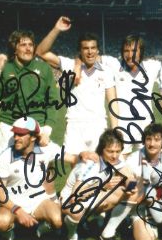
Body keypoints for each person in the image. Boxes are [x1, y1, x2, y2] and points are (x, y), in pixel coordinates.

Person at [0, 30, 59, 240]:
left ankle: (43, 226)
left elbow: (52, 101)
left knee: (48, 171)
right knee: (0, 179)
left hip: (36, 128)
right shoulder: (6, 69)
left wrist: (47, 128)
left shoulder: (43, 68)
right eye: (22, 44)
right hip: (9, 127)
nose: (27, 48)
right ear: (14, 48)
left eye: (30, 44)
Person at [36, 16, 118, 165]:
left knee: (99, 169)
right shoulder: (69, 65)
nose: (90, 52)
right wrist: (57, 29)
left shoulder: (107, 71)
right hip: (75, 123)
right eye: (86, 48)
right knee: (76, 168)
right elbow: (41, 52)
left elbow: (112, 103)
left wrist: (116, 130)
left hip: (97, 124)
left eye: (93, 48)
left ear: (98, 49)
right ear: (80, 51)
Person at [0, 117, 64, 240]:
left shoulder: (45, 150)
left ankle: (39, 232)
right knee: (1, 222)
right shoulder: (5, 156)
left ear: (32, 137)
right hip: (13, 202)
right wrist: (18, 211)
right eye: (15, 134)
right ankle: (9, 239)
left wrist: (84, 154)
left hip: (39, 201)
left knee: (58, 220)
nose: (16, 138)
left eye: (20, 134)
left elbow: (71, 158)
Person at [60, 129, 137, 240]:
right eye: (110, 151)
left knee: (131, 194)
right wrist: (102, 185)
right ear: (101, 150)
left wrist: (130, 185)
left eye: (118, 151)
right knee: (76, 210)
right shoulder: (90, 165)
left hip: (93, 196)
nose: (114, 155)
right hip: (70, 200)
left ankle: (107, 234)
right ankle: (71, 238)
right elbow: (75, 196)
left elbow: (130, 177)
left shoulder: (117, 160)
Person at [95, 34, 162, 157]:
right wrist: (78, 64)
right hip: (123, 125)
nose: (130, 54)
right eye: (126, 50)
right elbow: (89, 56)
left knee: (149, 164)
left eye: (134, 50)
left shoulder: (152, 66)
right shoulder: (114, 64)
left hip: (146, 125)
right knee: (120, 165)